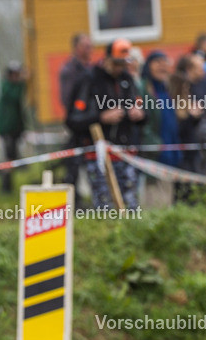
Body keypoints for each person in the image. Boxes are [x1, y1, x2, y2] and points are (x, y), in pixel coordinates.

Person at [66, 39, 146, 209]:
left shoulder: (127, 79)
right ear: (107, 59)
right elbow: (73, 119)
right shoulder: (89, 80)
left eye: (123, 64)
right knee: (105, 207)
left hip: (126, 152)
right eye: (116, 64)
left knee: (130, 205)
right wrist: (100, 118)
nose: (120, 68)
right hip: (97, 155)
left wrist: (139, 113)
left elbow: (142, 108)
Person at [59, 33, 94, 191]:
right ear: (76, 48)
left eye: (91, 46)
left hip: (90, 121)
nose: (90, 49)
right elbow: (67, 99)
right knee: (73, 163)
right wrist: (79, 114)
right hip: (76, 122)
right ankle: (74, 197)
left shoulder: (90, 69)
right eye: (86, 46)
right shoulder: (70, 70)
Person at [140, 51, 181, 168]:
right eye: (157, 62)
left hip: (171, 149)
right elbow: (143, 124)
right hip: (155, 153)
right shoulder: (144, 89)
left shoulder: (166, 89)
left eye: (165, 62)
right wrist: (155, 145)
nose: (162, 66)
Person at [0, 61, 28, 194]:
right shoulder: (7, 86)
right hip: (7, 130)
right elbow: (15, 96)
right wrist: (23, 83)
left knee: (12, 157)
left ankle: (8, 185)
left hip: (15, 129)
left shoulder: (13, 86)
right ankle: (5, 186)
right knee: (7, 158)